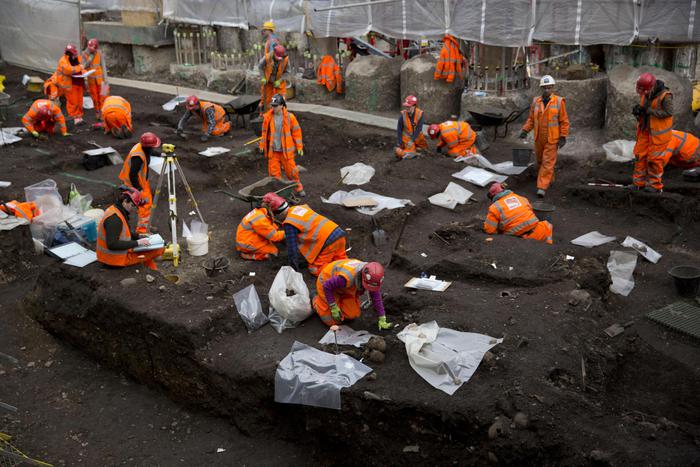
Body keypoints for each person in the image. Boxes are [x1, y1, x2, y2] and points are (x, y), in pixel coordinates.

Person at [519, 75, 570, 198]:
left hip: (552, 138)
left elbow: (564, 121)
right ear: (541, 88)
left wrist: (563, 136)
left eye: (549, 87)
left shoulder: (558, 101)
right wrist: (525, 130)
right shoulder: (536, 101)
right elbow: (531, 119)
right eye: (545, 88)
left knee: (547, 162)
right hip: (539, 138)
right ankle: (549, 178)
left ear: (553, 88)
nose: (547, 90)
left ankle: (542, 187)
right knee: (540, 161)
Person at [274, 198, 347, 276]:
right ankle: (350, 270)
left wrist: (293, 270)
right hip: (338, 233)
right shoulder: (301, 207)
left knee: (315, 269)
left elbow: (292, 249)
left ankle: (341, 277)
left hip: (328, 243)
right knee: (340, 258)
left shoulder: (289, 223)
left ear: (278, 214)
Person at [313, 259, 393, 330]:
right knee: (331, 321)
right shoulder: (346, 278)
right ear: (363, 277)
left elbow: (376, 297)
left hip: (344, 289)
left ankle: (338, 301)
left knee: (352, 314)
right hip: (326, 283)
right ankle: (315, 300)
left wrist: (382, 317)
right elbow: (327, 286)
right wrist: (333, 306)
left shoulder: (373, 276)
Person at [96, 187, 164, 270]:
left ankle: (151, 269)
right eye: (132, 205)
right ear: (125, 201)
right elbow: (112, 244)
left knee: (148, 250)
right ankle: (151, 270)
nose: (133, 210)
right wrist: (137, 243)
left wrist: (139, 236)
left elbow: (123, 233)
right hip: (114, 260)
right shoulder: (115, 219)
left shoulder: (116, 210)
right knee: (158, 250)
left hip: (110, 257)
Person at [632, 72, 673, 193]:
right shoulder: (645, 94)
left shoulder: (665, 96)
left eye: (644, 91)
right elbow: (644, 112)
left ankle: (655, 187)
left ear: (651, 87)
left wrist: (649, 111)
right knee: (640, 156)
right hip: (645, 130)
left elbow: (669, 112)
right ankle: (638, 184)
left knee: (654, 160)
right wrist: (638, 112)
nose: (642, 94)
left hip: (659, 134)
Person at [258, 94, 305, 196]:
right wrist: (262, 146)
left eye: (275, 105)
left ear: (282, 105)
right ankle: (279, 191)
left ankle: (298, 188)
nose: (273, 107)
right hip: (273, 151)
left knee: (292, 172)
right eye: (272, 105)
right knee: (274, 174)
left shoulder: (290, 117)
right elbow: (264, 133)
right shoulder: (268, 117)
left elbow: (296, 132)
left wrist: (299, 147)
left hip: (286, 152)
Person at [119, 132, 162, 235]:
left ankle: (147, 224)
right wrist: (138, 189)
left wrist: (160, 154)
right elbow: (132, 174)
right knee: (145, 205)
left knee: (147, 203)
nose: (153, 148)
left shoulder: (142, 146)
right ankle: (142, 231)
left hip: (142, 181)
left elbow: (149, 152)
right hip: (135, 183)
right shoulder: (137, 157)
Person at [483, 182, 553, 244]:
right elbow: (530, 212)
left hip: (518, 239)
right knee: (547, 225)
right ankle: (548, 247)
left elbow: (490, 231)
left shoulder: (494, 207)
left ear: (493, 196)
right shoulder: (520, 198)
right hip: (537, 231)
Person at [235, 193, 286, 260]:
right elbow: (275, 236)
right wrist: (288, 232)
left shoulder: (261, 211)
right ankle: (248, 255)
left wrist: (279, 230)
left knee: (275, 238)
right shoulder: (260, 220)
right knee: (274, 253)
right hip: (247, 244)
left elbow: (270, 224)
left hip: (249, 237)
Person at [55, 43, 85, 125]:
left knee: (79, 101)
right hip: (70, 85)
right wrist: (80, 68)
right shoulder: (63, 60)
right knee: (73, 102)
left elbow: (82, 67)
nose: (75, 54)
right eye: (74, 53)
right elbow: (69, 70)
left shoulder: (76, 58)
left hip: (79, 82)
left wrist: (84, 71)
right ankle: (74, 118)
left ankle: (79, 117)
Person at [81, 39, 109, 119]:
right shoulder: (84, 54)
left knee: (104, 96)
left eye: (94, 49)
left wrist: (106, 79)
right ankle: (97, 113)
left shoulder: (99, 52)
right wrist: (89, 60)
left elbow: (103, 66)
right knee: (95, 98)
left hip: (102, 80)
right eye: (91, 49)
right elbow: (83, 67)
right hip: (91, 81)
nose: (92, 50)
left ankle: (103, 113)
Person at [395, 95, 427, 159]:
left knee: (424, 149)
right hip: (407, 137)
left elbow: (419, 128)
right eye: (406, 106)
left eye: (409, 107)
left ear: (414, 106)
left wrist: (412, 140)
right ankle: (412, 153)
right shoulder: (402, 115)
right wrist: (399, 142)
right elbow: (399, 130)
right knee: (409, 151)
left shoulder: (420, 114)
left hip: (417, 136)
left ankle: (417, 151)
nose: (407, 108)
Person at [259, 44, 289, 113]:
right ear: (274, 53)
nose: (279, 59)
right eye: (278, 57)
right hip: (268, 81)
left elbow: (287, 72)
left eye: (281, 58)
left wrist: (280, 80)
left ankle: (281, 115)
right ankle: (267, 115)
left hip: (279, 81)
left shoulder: (286, 59)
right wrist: (262, 77)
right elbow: (260, 67)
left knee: (281, 99)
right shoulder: (267, 57)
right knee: (266, 99)